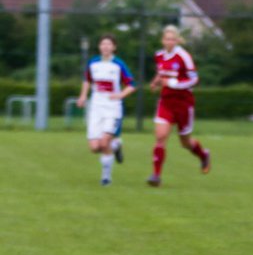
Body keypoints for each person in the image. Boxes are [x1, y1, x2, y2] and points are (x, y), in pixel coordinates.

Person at [147, 25, 210, 187]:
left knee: (185, 143)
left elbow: (194, 79)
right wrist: (156, 81)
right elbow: (161, 72)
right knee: (160, 137)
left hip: (183, 104)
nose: (169, 42)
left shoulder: (184, 56)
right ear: (163, 40)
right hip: (166, 102)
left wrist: (173, 83)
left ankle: (203, 155)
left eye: (172, 39)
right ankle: (156, 175)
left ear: (177, 40)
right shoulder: (159, 55)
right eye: (167, 39)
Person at [75, 34, 134, 186]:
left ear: (114, 47)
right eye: (103, 44)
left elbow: (131, 85)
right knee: (95, 147)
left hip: (112, 109)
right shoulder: (93, 63)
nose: (106, 47)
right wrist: (82, 96)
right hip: (96, 108)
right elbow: (87, 80)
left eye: (109, 44)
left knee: (103, 143)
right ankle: (116, 145)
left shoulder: (119, 64)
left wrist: (120, 94)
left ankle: (106, 177)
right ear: (99, 47)